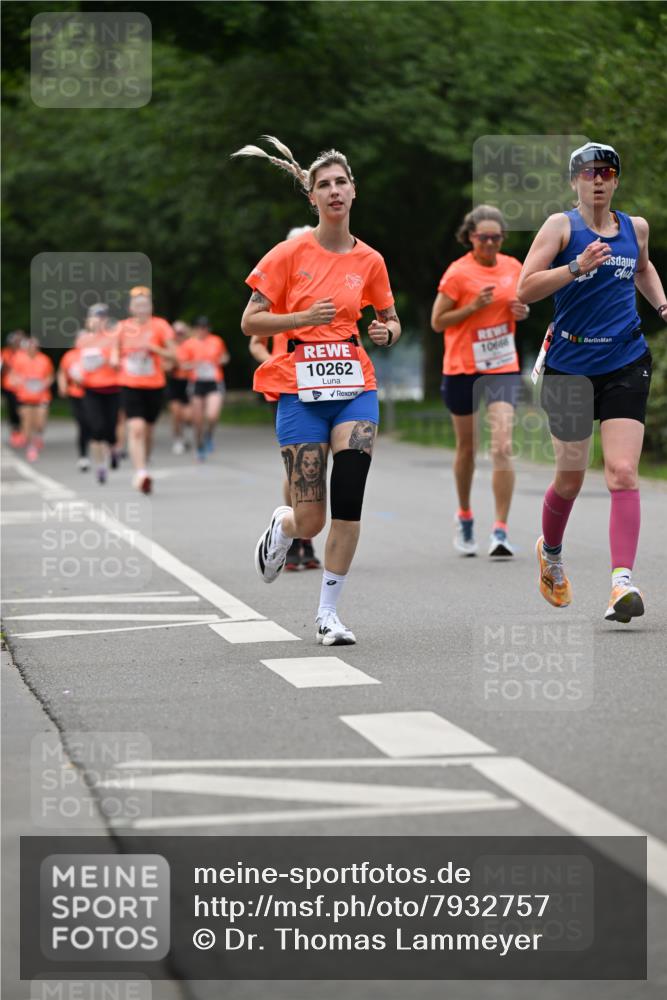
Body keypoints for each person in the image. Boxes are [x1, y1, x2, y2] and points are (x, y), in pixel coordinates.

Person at [233, 135, 400, 646]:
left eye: (340, 182)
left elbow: (391, 320)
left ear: (353, 192)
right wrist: (302, 317)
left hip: (355, 384)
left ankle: (329, 613)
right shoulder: (288, 254)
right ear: (312, 197)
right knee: (311, 518)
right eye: (323, 184)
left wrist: (384, 332)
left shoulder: (370, 260)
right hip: (299, 389)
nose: (333, 191)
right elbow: (249, 321)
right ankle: (282, 529)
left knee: (348, 502)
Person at [517, 141, 667, 623]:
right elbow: (525, 287)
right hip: (570, 364)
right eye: (588, 173)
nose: (597, 179)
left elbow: (643, 269)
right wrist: (576, 266)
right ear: (574, 181)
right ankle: (552, 554)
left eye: (606, 172)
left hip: (625, 358)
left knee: (623, 471)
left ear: (616, 180)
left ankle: (621, 583)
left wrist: (662, 305)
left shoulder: (635, 228)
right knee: (571, 477)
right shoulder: (562, 227)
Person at [430, 205, 530, 557]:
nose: (489, 243)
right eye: (482, 237)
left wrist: (523, 311)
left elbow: (521, 304)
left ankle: (500, 530)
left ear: (502, 238)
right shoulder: (457, 274)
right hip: (462, 367)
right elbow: (437, 322)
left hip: (501, 364)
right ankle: (465, 514)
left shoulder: (514, 267)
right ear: (469, 237)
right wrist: (472, 307)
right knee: (468, 448)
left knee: (502, 445)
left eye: (496, 237)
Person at [248, 224, 321, 571]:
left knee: (319, 465)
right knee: (299, 467)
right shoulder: (276, 290)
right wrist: (277, 363)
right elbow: (254, 340)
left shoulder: (324, 287)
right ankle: (296, 536)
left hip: (325, 382)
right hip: (289, 383)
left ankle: (304, 532)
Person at [115, 287, 176, 493]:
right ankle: (140, 472)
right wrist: (114, 360)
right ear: (131, 307)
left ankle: (144, 464)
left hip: (154, 385)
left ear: (151, 307)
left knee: (148, 431)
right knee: (137, 428)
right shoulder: (121, 327)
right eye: (138, 305)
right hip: (130, 384)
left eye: (146, 304)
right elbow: (113, 353)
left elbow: (174, 354)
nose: (142, 308)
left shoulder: (160, 326)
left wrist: (154, 349)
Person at [79, 303, 122, 484]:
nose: (99, 320)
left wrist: (112, 360)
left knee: (110, 429)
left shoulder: (113, 338)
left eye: (102, 317)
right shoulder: (83, 339)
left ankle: (112, 450)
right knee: (96, 428)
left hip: (112, 388)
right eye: (96, 316)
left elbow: (116, 357)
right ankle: (101, 466)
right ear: (89, 320)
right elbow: (77, 361)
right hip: (91, 389)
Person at [179, 316, 229, 460]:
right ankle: (199, 445)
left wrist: (221, 360)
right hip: (197, 383)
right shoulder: (189, 344)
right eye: (200, 327)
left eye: (205, 327)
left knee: (212, 415)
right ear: (195, 329)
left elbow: (225, 357)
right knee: (198, 419)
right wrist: (195, 364)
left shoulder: (216, 341)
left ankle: (209, 436)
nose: (203, 330)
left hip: (214, 382)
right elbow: (183, 365)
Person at [8, 336, 55, 462]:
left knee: (40, 423)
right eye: (30, 346)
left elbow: (50, 376)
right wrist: (18, 381)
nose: (33, 349)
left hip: (41, 396)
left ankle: (38, 437)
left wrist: (44, 383)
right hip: (25, 396)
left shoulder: (44, 360)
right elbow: (12, 376)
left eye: (35, 347)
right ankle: (31, 447)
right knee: (27, 423)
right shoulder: (19, 359)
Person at [57, 334, 90, 470]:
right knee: (82, 424)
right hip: (76, 394)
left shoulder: (94, 353)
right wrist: (63, 385)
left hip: (94, 393)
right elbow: (62, 372)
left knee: (95, 424)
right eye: (80, 339)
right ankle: (83, 456)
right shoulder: (69, 356)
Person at [166, 320, 193, 454]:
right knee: (176, 413)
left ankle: (186, 433)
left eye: (181, 332)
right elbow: (165, 367)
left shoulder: (192, 344)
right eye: (176, 333)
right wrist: (173, 365)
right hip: (175, 382)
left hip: (189, 382)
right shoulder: (169, 347)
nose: (179, 335)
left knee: (188, 416)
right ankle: (178, 439)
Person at [2, 331, 27, 447]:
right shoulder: (4, 353)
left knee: (23, 410)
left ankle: (25, 431)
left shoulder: (24, 353)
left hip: (24, 387)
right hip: (10, 386)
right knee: (13, 409)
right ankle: (15, 431)